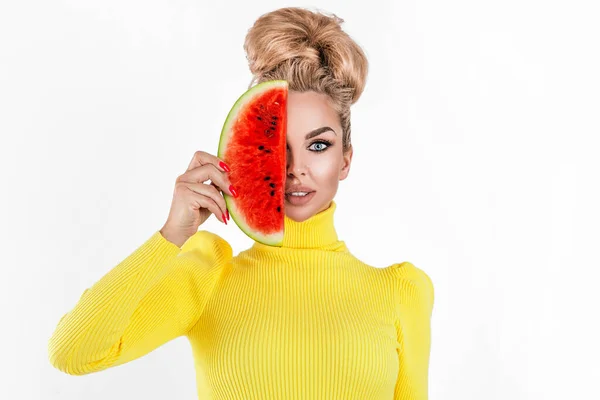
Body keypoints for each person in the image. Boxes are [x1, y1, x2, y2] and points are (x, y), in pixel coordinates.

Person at [48, 6, 434, 400]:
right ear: (252, 154)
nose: (295, 169)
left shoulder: (400, 291)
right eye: (275, 147)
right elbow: (73, 353)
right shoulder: (208, 276)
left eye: (318, 145)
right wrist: (170, 236)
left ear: (346, 159)